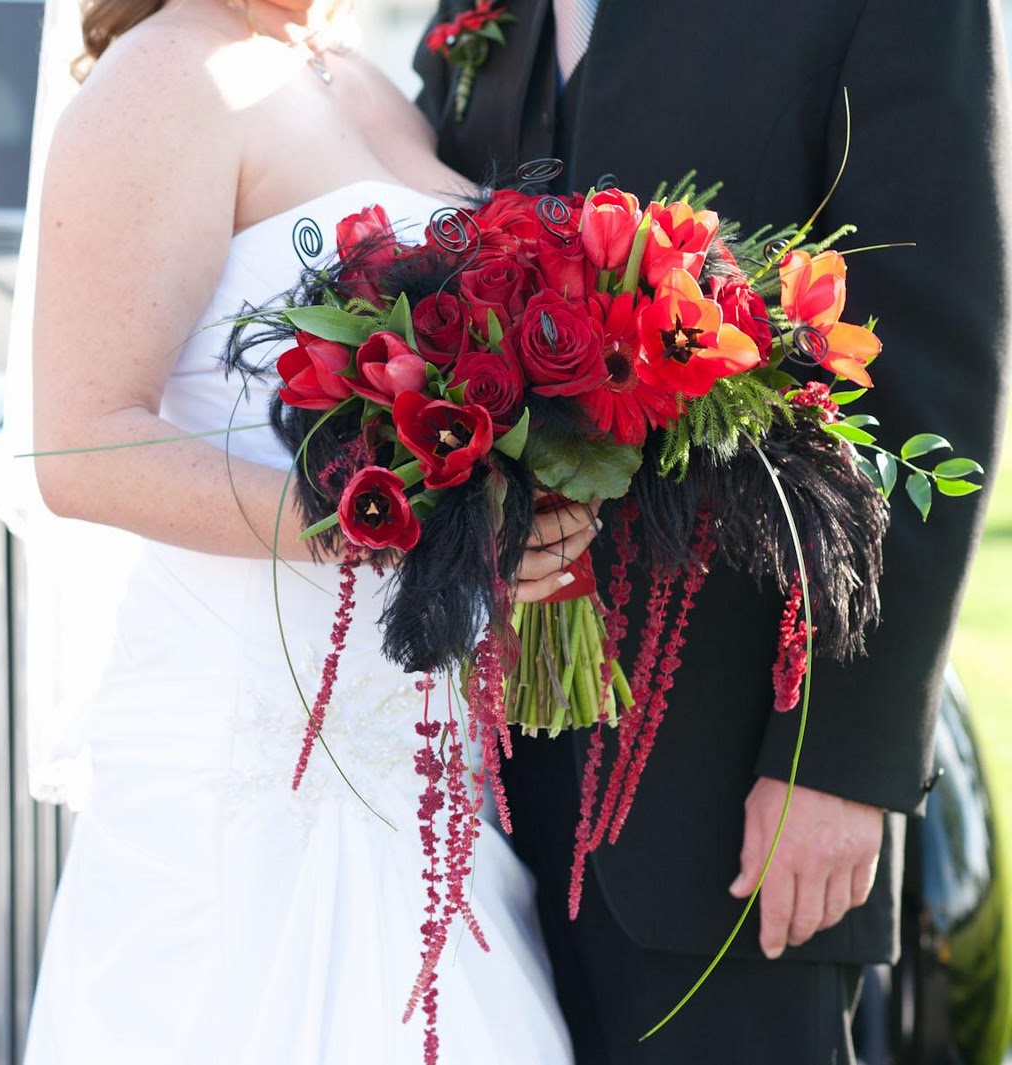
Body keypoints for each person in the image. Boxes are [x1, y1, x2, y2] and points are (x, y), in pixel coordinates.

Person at [412, 2, 1011, 1062]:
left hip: (725, 807)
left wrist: (838, 761)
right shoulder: (477, 17)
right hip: (473, 806)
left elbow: (926, 373)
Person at [9, 0, 592, 1059]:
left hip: (423, 752)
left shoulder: (361, 78)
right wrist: (383, 522)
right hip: (246, 759)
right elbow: (80, 447)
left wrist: (515, 499)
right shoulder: (161, 81)